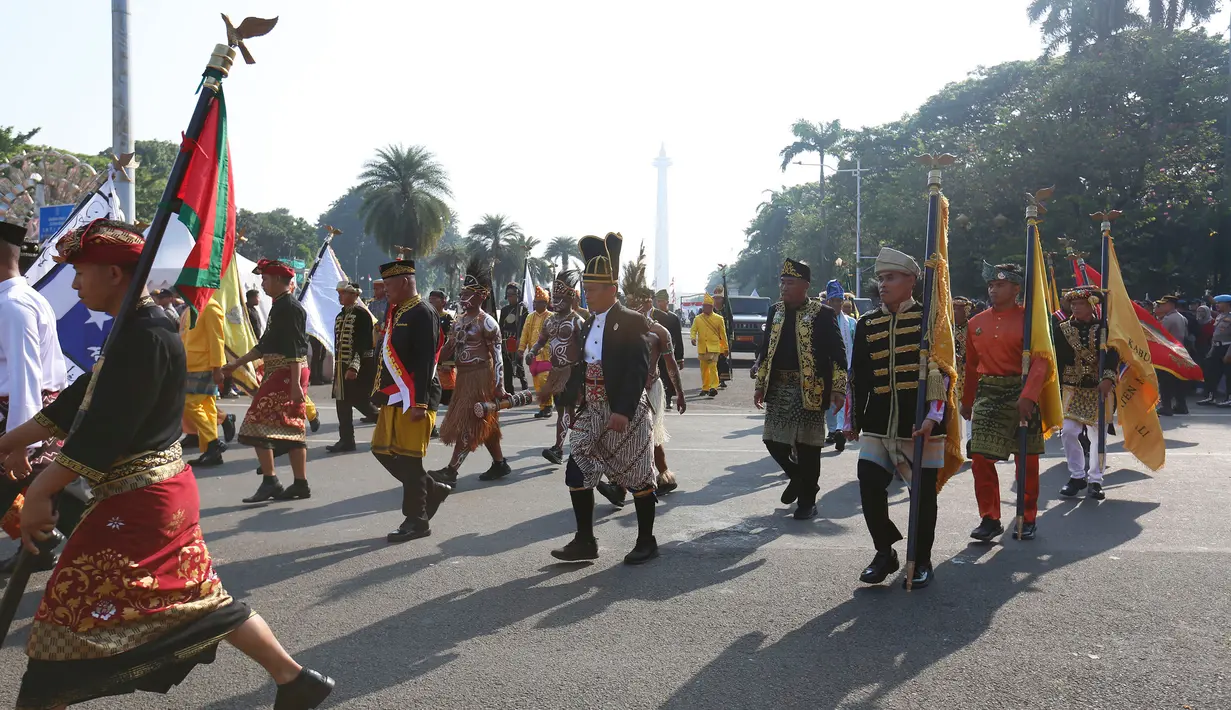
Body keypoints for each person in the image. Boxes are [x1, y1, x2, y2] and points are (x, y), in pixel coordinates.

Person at [0, 220, 333, 710]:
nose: (74, 284)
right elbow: (80, 402)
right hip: (153, 493)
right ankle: (295, 680)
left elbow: (103, 430)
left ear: (114, 274)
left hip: (141, 500)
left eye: (80, 273)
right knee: (198, 598)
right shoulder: (138, 328)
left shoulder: (145, 335)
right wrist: (11, 442)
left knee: (66, 613)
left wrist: (45, 489)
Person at [550, 232, 658, 564]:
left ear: (612, 290)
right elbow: (583, 368)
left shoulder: (630, 321)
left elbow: (638, 370)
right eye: (586, 288)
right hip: (592, 409)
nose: (587, 295)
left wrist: (624, 410)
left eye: (593, 289)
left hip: (626, 410)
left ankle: (646, 540)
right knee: (576, 469)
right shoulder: (585, 325)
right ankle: (585, 540)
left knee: (638, 473)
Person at [847, 247, 948, 589]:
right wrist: (854, 418)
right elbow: (858, 375)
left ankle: (920, 558)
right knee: (869, 482)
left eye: (890, 278)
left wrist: (934, 416)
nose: (883, 284)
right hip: (878, 420)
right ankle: (884, 551)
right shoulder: (867, 322)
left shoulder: (930, 321)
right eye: (881, 278)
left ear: (911, 281)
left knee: (922, 495)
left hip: (919, 420)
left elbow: (942, 371)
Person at [0, 220, 71, 575]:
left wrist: (19, 445)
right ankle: (44, 545)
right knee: (45, 493)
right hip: (23, 415)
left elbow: (26, 378)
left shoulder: (13, 305)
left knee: (44, 492)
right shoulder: (20, 298)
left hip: (16, 416)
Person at [753, 259, 847, 520]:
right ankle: (799, 478)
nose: (784, 287)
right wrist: (760, 385)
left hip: (811, 388)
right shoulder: (775, 311)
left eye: (790, 282)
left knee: (808, 447)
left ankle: (807, 501)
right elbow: (765, 351)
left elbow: (838, 355)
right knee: (772, 441)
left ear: (805, 285)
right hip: (779, 386)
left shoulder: (822, 313)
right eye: (782, 282)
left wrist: (838, 389)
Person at [962, 262, 1048, 542]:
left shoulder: (1031, 319)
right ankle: (989, 517)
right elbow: (971, 366)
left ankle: (1028, 515)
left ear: (1015, 289)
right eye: (991, 285)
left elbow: (1041, 360)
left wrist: (1029, 395)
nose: (993, 289)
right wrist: (967, 399)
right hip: (989, 393)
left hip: (1021, 390)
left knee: (1027, 459)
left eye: (1000, 285)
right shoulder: (975, 323)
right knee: (979, 457)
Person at [369, 259, 451, 542]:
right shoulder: (397, 311)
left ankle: (417, 520)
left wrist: (420, 403)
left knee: (410, 459)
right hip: (395, 396)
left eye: (389, 285)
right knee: (382, 450)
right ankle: (433, 489)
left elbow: (426, 361)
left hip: (416, 397)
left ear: (404, 282)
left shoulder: (423, 312)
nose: (385, 290)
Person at [225, 259, 315, 503]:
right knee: (292, 427)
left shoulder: (290, 307)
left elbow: (297, 348)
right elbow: (265, 344)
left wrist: (296, 384)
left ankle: (271, 481)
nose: (262, 284)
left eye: (265, 279)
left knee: (255, 424)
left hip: (288, 372)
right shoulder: (280, 305)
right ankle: (299, 484)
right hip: (283, 371)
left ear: (276, 280)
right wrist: (235, 363)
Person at [430, 259, 511, 484]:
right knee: (488, 425)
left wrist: (500, 385)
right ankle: (500, 464)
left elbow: (498, 356)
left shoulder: (488, 323)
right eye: (463, 292)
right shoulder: (458, 322)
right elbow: (448, 349)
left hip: (481, 379)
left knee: (470, 422)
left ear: (481, 296)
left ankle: (451, 471)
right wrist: (432, 361)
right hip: (463, 379)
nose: (463, 297)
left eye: (469, 293)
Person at [622, 251, 687, 497]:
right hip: (626, 388)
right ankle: (625, 484)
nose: (633, 306)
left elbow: (670, 365)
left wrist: (680, 394)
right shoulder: (619, 327)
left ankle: (660, 475)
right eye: (629, 302)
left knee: (649, 434)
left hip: (650, 389)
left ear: (649, 302)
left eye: (637, 301)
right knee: (625, 435)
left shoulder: (660, 332)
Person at [1055, 288, 1118, 501]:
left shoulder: (1104, 327)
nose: (1074, 307)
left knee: (1097, 436)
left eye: (1080, 303)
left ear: (1091, 305)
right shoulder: (1063, 328)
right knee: (1069, 432)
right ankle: (1076, 476)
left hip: (1098, 386)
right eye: (1072, 304)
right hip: (1072, 386)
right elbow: (1057, 358)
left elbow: (1113, 354)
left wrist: (1108, 377)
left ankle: (1095, 480)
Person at [528, 270, 586, 466]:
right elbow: (541, 340)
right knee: (565, 411)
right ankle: (566, 448)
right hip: (556, 372)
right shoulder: (550, 321)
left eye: (561, 298)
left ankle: (563, 448)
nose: (556, 301)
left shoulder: (577, 321)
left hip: (573, 372)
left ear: (571, 298)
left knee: (567, 411)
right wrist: (532, 352)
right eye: (555, 297)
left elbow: (588, 348)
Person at [180, 296, 235, 467]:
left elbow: (217, 339)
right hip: (191, 364)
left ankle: (212, 443)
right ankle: (211, 451)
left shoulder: (211, 307)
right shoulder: (190, 308)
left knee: (190, 403)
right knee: (208, 408)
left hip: (205, 365)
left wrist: (217, 367)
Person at [326, 280, 378, 453]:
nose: (340, 296)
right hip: (341, 368)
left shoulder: (362, 314)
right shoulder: (341, 315)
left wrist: (354, 366)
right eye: (339, 293)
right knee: (342, 404)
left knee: (360, 402)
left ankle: (391, 429)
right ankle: (346, 440)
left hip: (358, 367)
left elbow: (363, 344)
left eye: (343, 293)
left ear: (355, 295)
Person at [825, 279, 856, 452]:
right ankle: (832, 430)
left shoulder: (850, 323)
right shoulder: (820, 320)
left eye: (839, 301)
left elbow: (856, 345)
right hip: (826, 367)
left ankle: (840, 430)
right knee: (828, 400)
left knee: (843, 399)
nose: (836, 304)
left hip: (845, 367)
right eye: (833, 301)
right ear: (828, 301)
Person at [519, 285, 554, 419]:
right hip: (532, 357)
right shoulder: (529, 317)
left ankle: (549, 406)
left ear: (545, 303)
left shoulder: (551, 317)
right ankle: (542, 407)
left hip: (546, 356)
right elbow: (525, 334)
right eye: (534, 302)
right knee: (537, 383)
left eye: (538, 302)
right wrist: (521, 349)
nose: (534, 304)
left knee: (544, 380)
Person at [1155, 295, 1190, 415]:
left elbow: (1159, 335)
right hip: (1180, 351)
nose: (1161, 306)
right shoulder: (1182, 317)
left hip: (1169, 352)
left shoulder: (1168, 319)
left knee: (1166, 381)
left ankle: (1166, 406)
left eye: (1164, 304)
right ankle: (1181, 405)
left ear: (1171, 305)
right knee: (1178, 380)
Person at [691, 292, 729, 397]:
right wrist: (693, 338)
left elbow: (723, 334)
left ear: (712, 307)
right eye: (704, 306)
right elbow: (693, 330)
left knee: (713, 367)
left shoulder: (719, 319)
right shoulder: (698, 318)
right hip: (703, 347)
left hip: (714, 347)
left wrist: (726, 347)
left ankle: (713, 387)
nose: (705, 308)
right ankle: (705, 388)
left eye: (707, 306)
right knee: (704, 369)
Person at [653, 289, 685, 410]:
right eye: (658, 301)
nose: (659, 303)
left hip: (669, 352)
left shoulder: (673, 318)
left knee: (669, 376)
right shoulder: (653, 316)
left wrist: (680, 357)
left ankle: (668, 399)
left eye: (662, 301)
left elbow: (678, 338)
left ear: (667, 301)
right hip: (656, 353)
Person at [1198, 294, 1231, 407]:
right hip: (1216, 347)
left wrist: (1229, 353)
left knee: (1229, 374)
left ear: (1227, 304)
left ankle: (1229, 398)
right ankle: (1211, 396)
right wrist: (1212, 349)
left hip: (1227, 348)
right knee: (1211, 373)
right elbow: (1215, 335)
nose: (1217, 305)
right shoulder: (1219, 316)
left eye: (1220, 303)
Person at [500, 282, 530, 392]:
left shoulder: (523, 310)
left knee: (519, 366)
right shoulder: (504, 310)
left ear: (518, 295)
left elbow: (525, 327)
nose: (510, 297)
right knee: (507, 368)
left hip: (518, 341)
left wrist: (521, 340)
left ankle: (525, 390)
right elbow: (501, 327)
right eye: (509, 295)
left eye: (513, 294)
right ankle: (509, 392)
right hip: (506, 341)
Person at [429, 289, 456, 409]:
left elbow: (451, 342)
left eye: (435, 299)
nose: (431, 302)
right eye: (430, 299)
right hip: (431, 358)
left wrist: (448, 362)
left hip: (444, 360)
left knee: (447, 398)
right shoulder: (428, 316)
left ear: (443, 302)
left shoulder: (448, 318)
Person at [953, 296, 973, 452]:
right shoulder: (945, 327)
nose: (954, 312)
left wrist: (965, 358)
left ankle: (971, 441)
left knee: (969, 407)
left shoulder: (973, 328)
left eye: (958, 309)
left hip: (968, 373)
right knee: (951, 409)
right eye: (952, 308)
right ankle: (953, 441)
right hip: (951, 373)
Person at [713, 285, 735, 389]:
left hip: (724, 339)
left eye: (719, 298)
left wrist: (731, 337)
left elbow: (731, 324)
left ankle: (722, 379)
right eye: (715, 298)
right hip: (713, 339)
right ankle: (715, 379)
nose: (717, 300)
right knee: (714, 360)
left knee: (723, 359)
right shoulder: (711, 311)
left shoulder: (726, 311)